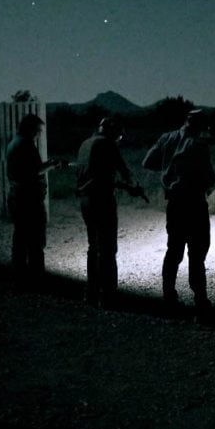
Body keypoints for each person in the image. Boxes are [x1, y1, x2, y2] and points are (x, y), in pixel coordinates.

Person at [142, 109, 215, 319]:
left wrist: (168, 168)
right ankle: (200, 301)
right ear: (200, 126)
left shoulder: (167, 138)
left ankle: (169, 297)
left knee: (173, 251)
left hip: (174, 203)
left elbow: (148, 162)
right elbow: (209, 181)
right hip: (194, 204)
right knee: (197, 254)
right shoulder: (199, 146)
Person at [73, 117, 147, 308]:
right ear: (113, 132)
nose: (119, 139)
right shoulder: (107, 144)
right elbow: (121, 171)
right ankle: (107, 296)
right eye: (119, 135)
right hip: (102, 200)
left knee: (93, 246)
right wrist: (132, 186)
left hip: (85, 200)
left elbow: (92, 176)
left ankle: (91, 292)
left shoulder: (85, 144)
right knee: (107, 249)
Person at [6, 113, 65, 279]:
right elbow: (34, 171)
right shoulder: (25, 145)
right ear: (30, 129)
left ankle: (20, 274)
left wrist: (47, 164)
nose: (39, 135)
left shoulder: (14, 143)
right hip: (28, 199)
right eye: (38, 131)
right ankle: (36, 276)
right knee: (35, 240)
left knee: (20, 238)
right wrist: (51, 166)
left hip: (18, 196)